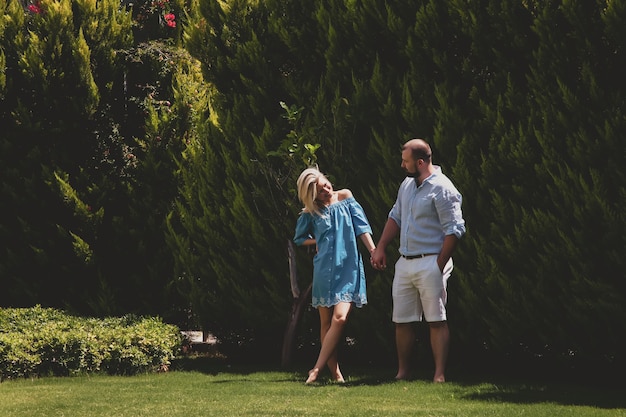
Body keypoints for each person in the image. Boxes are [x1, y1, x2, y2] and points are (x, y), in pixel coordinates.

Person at [370, 139, 465, 383]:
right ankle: (402, 373)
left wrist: (439, 264)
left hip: (431, 261)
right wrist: (380, 246)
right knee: (401, 321)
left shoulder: (443, 188)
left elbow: (454, 230)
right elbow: (395, 216)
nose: (402, 165)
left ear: (420, 162)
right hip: (405, 262)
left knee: (436, 319)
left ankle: (439, 375)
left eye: (406, 161)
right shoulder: (407, 185)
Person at [293, 167, 376, 384]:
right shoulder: (311, 213)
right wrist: (316, 242)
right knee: (326, 323)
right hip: (323, 270)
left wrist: (374, 251)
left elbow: (362, 226)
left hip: (348, 267)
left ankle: (316, 369)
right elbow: (299, 238)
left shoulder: (346, 197)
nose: (327, 191)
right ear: (312, 195)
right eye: (321, 191)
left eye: (327, 185)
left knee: (340, 318)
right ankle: (335, 373)